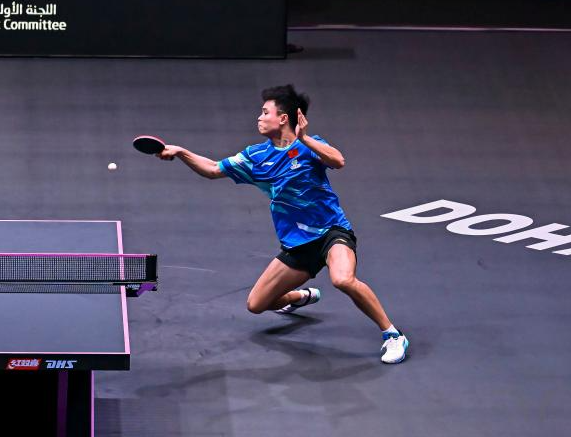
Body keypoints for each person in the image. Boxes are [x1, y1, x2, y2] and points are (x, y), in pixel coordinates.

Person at [156, 84, 408, 364]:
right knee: (256, 304)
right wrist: (181, 152)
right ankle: (299, 297)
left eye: (266, 112)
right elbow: (214, 169)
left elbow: (338, 160)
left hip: (331, 232)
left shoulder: (309, 146)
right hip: (297, 245)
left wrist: (305, 139)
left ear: (283, 118)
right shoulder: (255, 157)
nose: (259, 117)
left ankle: (393, 335)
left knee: (342, 279)